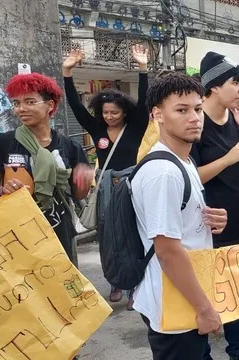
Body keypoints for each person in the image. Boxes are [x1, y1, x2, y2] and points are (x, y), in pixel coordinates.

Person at [129, 72, 227, 360]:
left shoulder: (183, 161)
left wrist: (209, 220)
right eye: (181, 110)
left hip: (182, 297)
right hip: (173, 304)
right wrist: (205, 309)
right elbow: (168, 251)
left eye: (197, 109)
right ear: (157, 115)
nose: (194, 117)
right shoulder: (164, 172)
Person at [62, 44, 151, 304]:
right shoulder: (96, 127)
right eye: (105, 112)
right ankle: (114, 282)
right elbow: (77, 107)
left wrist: (143, 69)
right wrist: (67, 73)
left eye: (115, 112)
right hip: (104, 189)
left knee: (134, 234)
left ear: (125, 112)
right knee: (108, 237)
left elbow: (144, 99)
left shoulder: (135, 127)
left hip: (131, 186)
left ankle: (135, 285)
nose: (110, 116)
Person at [191, 51, 239, 360]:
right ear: (215, 86)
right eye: (235, 82)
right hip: (208, 226)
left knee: (237, 297)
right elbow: (190, 175)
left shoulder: (236, 119)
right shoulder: (196, 123)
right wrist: (228, 158)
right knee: (205, 298)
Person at [0, 72, 94, 262]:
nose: (21, 109)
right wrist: (3, 190)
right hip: (17, 232)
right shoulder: (2, 143)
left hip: (59, 229)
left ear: (50, 105)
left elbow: (78, 195)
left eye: (30, 102)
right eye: (16, 103)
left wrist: (83, 183)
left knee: (62, 285)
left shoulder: (69, 146)